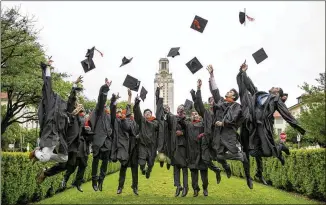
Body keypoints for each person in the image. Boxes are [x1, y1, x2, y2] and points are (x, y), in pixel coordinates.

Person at [236, 61, 306, 182]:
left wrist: (297, 125)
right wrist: (243, 72)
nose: (274, 87)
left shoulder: (276, 99)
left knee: (268, 152)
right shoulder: (258, 94)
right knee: (253, 152)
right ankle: (262, 169)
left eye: (277, 88)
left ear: (277, 93)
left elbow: (286, 113)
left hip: (263, 127)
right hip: (253, 126)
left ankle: (279, 147)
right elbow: (249, 85)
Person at [207, 65, 253, 189]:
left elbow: (233, 119)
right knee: (218, 156)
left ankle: (248, 177)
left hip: (229, 135)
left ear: (233, 96)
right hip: (218, 136)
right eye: (229, 91)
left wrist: (223, 123)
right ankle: (226, 166)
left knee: (243, 158)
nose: (228, 92)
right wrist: (211, 75)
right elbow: (215, 91)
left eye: (231, 92)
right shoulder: (221, 102)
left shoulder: (236, 106)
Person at [35, 75, 87, 184]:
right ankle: (45, 172)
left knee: (69, 163)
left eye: (79, 106)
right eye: (76, 105)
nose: (78, 106)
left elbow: (82, 126)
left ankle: (47, 172)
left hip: (73, 145)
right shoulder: (68, 113)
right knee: (65, 163)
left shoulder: (80, 117)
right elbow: (70, 104)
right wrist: (74, 85)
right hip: (63, 141)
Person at [30, 60, 69, 180]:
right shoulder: (50, 101)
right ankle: (36, 152)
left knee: (64, 158)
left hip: (58, 137)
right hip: (50, 134)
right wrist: (47, 68)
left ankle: (43, 154)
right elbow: (47, 84)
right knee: (44, 158)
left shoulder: (62, 106)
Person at [111, 89, 139, 195]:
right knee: (123, 168)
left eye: (130, 113)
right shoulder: (118, 121)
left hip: (133, 148)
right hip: (124, 148)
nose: (129, 114)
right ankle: (120, 187)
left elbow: (128, 107)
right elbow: (114, 110)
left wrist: (130, 97)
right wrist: (114, 101)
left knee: (134, 169)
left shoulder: (132, 121)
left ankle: (135, 187)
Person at [133, 86, 164, 180]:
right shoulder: (141, 121)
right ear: (144, 115)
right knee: (141, 162)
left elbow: (157, 124)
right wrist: (137, 103)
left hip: (152, 146)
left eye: (149, 113)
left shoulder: (155, 122)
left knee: (150, 163)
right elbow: (137, 113)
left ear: (151, 114)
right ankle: (142, 169)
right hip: (143, 145)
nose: (147, 114)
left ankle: (148, 171)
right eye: (146, 113)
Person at [61, 112, 95, 192]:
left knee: (82, 166)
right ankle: (65, 180)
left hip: (85, 149)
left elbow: (90, 137)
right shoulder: (78, 120)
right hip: (77, 147)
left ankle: (78, 183)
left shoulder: (90, 123)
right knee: (72, 166)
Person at [89, 78, 113, 192]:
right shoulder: (98, 113)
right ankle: (94, 180)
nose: (105, 107)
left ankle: (101, 181)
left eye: (106, 106)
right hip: (98, 141)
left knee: (104, 163)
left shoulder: (109, 116)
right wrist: (105, 88)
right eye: (104, 106)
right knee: (95, 161)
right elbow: (101, 100)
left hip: (107, 142)